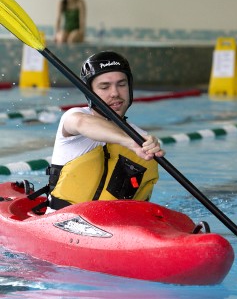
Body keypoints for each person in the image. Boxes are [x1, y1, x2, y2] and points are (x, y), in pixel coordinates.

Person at [46, 51, 165, 210]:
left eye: (121, 84)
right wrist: (129, 141)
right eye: (104, 86)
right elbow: (83, 123)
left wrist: (149, 143)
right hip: (61, 222)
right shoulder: (74, 117)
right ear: (90, 92)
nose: (115, 93)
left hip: (114, 226)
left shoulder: (141, 138)